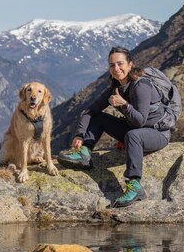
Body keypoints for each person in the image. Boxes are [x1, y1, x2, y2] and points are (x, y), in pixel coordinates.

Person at [57, 46, 170, 208]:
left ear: (130, 65)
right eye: (112, 65)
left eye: (120, 64)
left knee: (133, 136)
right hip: (134, 130)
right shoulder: (115, 88)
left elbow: (140, 121)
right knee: (99, 117)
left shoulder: (141, 85)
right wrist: (80, 135)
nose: (116, 69)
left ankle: (135, 186)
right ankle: (84, 153)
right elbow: (90, 110)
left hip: (157, 133)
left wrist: (124, 105)